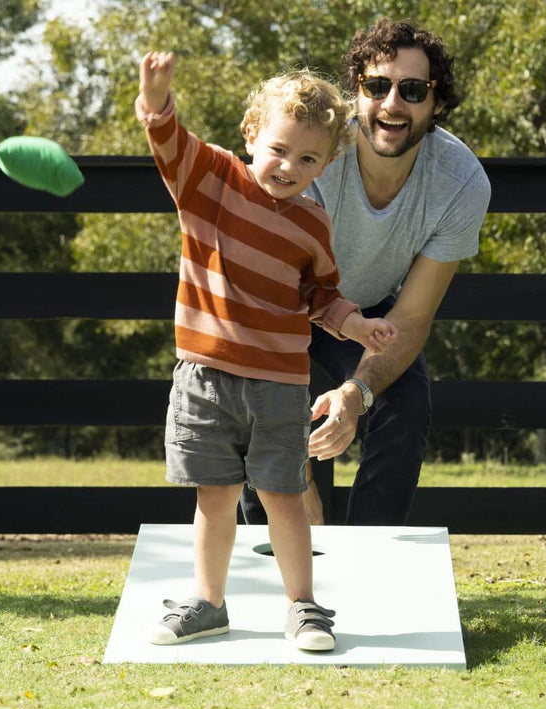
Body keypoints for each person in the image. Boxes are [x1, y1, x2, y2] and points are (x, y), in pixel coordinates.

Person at [135, 51, 398, 652]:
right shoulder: (210, 182)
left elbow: (321, 297)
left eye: (307, 159)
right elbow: (169, 141)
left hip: (280, 387)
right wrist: (156, 102)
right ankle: (207, 603)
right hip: (204, 379)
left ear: (327, 164)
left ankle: (304, 607)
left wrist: (355, 325)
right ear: (252, 135)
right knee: (215, 497)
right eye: (278, 149)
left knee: (285, 495)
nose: (288, 166)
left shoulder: (313, 224)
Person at [240, 18, 492, 527]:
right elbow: (264, 305)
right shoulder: (312, 155)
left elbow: (412, 320)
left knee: (404, 400)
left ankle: (372, 566)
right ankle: (265, 566)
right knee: (253, 406)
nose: (392, 103)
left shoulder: (461, 182)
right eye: (376, 86)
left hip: (367, 309)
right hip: (273, 308)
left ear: (438, 102)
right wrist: (297, 480)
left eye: (413, 89)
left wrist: (356, 395)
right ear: (357, 93)